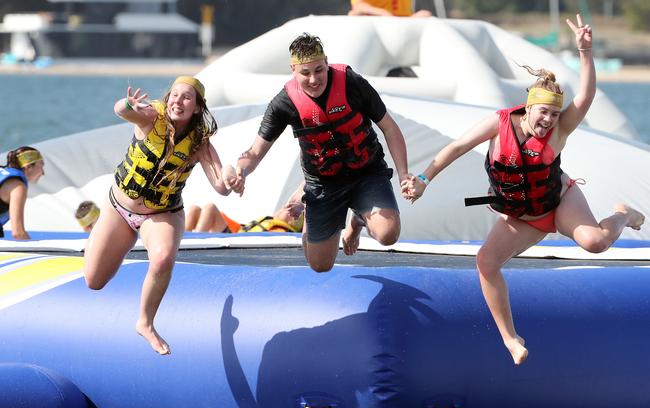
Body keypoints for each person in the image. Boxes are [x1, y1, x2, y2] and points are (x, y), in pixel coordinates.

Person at [402, 14, 644, 366]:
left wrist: (586, 53)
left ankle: (624, 214)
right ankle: (510, 338)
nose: (548, 121)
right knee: (486, 261)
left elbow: (587, 96)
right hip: (522, 215)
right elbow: (454, 148)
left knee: (595, 242)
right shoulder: (499, 125)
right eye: (543, 112)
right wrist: (423, 180)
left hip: (558, 203)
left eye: (554, 115)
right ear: (528, 107)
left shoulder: (559, 132)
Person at [227, 33, 412, 272]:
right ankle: (310, 204)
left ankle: (357, 219)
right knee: (320, 265)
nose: (314, 79)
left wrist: (404, 173)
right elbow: (254, 152)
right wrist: (241, 171)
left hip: (366, 172)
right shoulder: (284, 103)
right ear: (293, 70)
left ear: (327, 63)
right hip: (324, 184)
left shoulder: (351, 82)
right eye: (305, 73)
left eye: (319, 70)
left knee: (388, 234)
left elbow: (390, 128)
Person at [84, 76, 235, 355]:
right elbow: (122, 110)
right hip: (119, 208)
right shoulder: (152, 117)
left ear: (198, 108)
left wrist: (231, 178)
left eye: (186, 97)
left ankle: (145, 322)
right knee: (93, 281)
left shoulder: (199, 141)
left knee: (164, 258)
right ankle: (115, 241)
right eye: (174, 95)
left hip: (163, 212)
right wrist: (127, 103)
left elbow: (221, 187)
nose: (178, 101)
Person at [186, 183, 305, 234]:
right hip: (238, 232)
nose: (282, 208)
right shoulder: (270, 221)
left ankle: (195, 242)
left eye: (287, 210)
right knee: (194, 209)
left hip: (234, 241)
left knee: (210, 208)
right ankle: (182, 243)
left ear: (291, 220)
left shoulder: (279, 231)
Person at [0, 146, 45, 240]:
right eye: (41, 165)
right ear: (28, 166)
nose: (43, 172)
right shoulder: (18, 187)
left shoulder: (3, 174)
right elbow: (18, 233)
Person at [348, 0, 432, 17]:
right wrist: (382, 13)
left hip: (403, 23)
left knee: (425, 15)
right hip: (376, 21)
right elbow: (358, 5)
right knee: (355, 15)